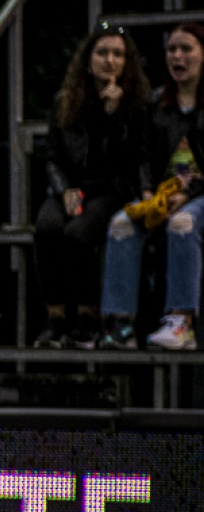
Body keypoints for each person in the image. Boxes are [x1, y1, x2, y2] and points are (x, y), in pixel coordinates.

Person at [35, 26, 153, 349]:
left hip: (112, 189)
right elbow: (52, 157)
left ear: (127, 62)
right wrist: (64, 189)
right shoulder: (65, 101)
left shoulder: (137, 104)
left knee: (77, 234)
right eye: (102, 53)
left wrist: (115, 116)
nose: (109, 60)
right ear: (88, 60)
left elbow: (134, 159)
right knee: (47, 227)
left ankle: (87, 317)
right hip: (73, 187)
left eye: (117, 54)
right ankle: (56, 318)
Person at [100, 21, 203, 352]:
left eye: (186, 49)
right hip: (162, 194)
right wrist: (147, 192)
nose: (177, 56)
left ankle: (181, 322)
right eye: (172, 49)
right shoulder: (156, 104)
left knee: (182, 222)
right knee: (121, 223)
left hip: (198, 196)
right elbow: (142, 155)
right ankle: (120, 323)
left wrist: (187, 194)